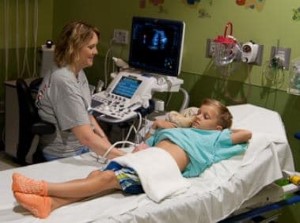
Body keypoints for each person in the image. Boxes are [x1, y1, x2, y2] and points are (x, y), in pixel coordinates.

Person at [12, 98, 252, 218]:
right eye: (198, 112)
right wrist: (178, 124)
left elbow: (246, 134)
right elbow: (146, 143)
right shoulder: (178, 131)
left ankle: (43, 188)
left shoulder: (214, 140)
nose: (198, 117)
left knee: (106, 179)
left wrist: (220, 130)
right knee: (99, 175)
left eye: (206, 116)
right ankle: (51, 204)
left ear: (219, 126)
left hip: (160, 168)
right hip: (146, 160)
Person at [36, 21, 125, 160]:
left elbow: (86, 114)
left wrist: (108, 145)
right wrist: (127, 158)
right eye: (91, 47)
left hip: (81, 146)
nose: (96, 52)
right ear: (74, 48)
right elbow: (86, 138)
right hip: (64, 153)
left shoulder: (77, 70)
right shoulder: (63, 80)